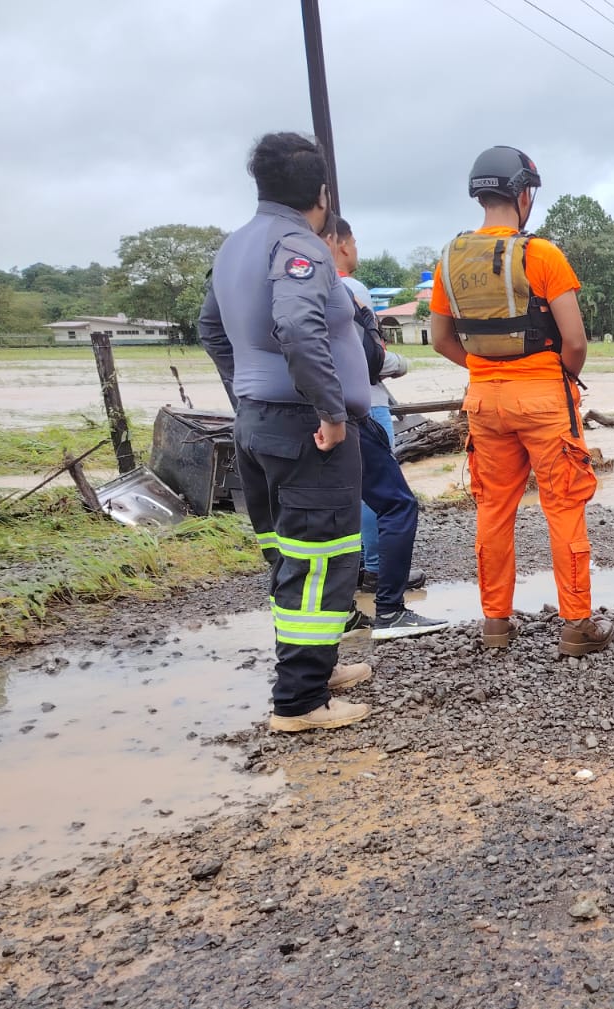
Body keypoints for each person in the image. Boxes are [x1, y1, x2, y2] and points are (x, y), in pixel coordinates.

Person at [197, 132, 372, 732]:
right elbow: (297, 325)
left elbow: (211, 329)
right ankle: (299, 702)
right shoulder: (299, 244)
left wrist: (245, 390)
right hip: (305, 430)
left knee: (290, 554)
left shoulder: (235, 245)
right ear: (322, 193)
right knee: (320, 557)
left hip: (259, 421)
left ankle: (314, 668)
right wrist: (328, 410)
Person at [429, 146, 612, 657]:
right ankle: (576, 624)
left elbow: (442, 339)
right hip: (544, 400)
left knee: (493, 509)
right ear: (523, 194)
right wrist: (553, 377)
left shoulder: (449, 258)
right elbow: (574, 341)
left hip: (484, 402)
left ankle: (495, 624)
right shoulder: (542, 255)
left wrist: (488, 373)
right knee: (563, 507)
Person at [323, 217, 444, 640]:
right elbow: (370, 358)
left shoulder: (270, 277)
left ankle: (340, 606)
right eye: (353, 241)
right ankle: (387, 599)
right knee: (392, 502)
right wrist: (402, 364)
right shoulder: (347, 290)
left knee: (335, 506)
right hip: (359, 409)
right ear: (337, 242)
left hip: (295, 415)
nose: (355, 248)